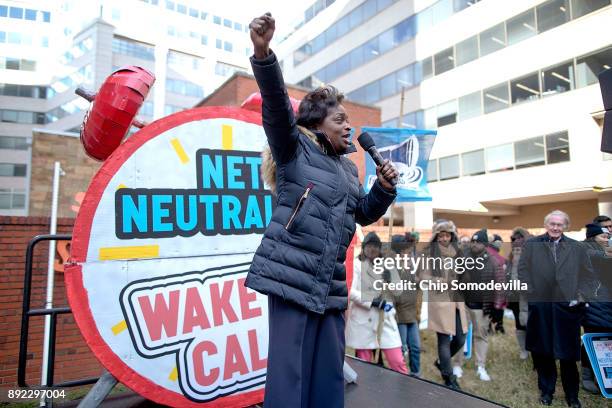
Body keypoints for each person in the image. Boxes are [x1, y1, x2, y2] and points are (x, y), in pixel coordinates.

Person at [245, 13, 399, 408]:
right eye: (341, 119)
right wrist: (263, 54)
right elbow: (278, 108)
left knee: (328, 371)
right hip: (290, 277)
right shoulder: (294, 151)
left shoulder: (349, 170)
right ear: (317, 123)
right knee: (290, 372)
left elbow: (362, 214)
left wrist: (382, 189)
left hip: (329, 284)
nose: (350, 127)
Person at [518, 210, 595, 407]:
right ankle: (547, 392)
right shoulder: (532, 245)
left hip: (567, 309)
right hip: (542, 307)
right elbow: (523, 271)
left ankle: (572, 396)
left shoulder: (577, 247)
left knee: (568, 355)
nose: (555, 227)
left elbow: (587, 276)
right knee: (543, 352)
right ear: (546, 224)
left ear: (565, 226)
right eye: (552, 223)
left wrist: (580, 296)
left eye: (559, 224)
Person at [346, 232, 408, 375]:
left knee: (397, 362)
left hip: (384, 320)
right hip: (363, 321)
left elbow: (399, 291)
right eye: (368, 246)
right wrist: (372, 301)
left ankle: (404, 392)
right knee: (363, 366)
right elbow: (351, 291)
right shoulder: (356, 264)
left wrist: (390, 279)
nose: (372, 250)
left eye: (375, 246)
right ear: (364, 248)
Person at [420, 219, 468, 389]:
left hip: (456, 301)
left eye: (447, 235)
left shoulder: (457, 252)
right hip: (440, 301)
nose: (444, 238)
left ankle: (442, 362)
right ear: (436, 236)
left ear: (452, 236)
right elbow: (422, 277)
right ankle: (449, 377)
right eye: (441, 235)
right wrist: (439, 281)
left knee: (461, 338)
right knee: (443, 339)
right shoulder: (429, 253)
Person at [453, 229, 503, 382]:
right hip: (464, 304)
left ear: (485, 244)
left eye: (478, 242)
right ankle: (456, 365)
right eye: (473, 241)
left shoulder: (492, 261)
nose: (474, 244)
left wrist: (497, 305)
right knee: (460, 335)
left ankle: (480, 366)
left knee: (481, 336)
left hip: (483, 306)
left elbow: (499, 284)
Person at [580, 223, 612, 394]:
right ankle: (586, 376)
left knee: (605, 343)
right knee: (591, 341)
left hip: (606, 305)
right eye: (604, 236)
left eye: (608, 236)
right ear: (593, 238)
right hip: (595, 305)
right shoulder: (586, 250)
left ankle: (603, 377)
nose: (607, 239)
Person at [389, 233, 421, 376]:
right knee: (401, 346)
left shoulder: (410, 266)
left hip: (412, 313)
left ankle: (416, 373)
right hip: (399, 314)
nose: (406, 254)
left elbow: (417, 285)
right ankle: (401, 373)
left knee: (415, 346)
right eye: (403, 251)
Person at [505, 227, 532, 360]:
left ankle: (533, 349)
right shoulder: (511, 257)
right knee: (519, 323)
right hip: (514, 296)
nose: (515, 243)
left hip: (528, 295)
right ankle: (523, 350)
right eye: (513, 240)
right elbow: (508, 275)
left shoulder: (530, 255)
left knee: (530, 323)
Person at [486, 233, 507, 335]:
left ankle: (492, 325)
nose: (500, 244)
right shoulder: (496, 256)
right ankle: (496, 325)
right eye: (498, 242)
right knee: (496, 305)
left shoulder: (491, 253)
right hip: (493, 286)